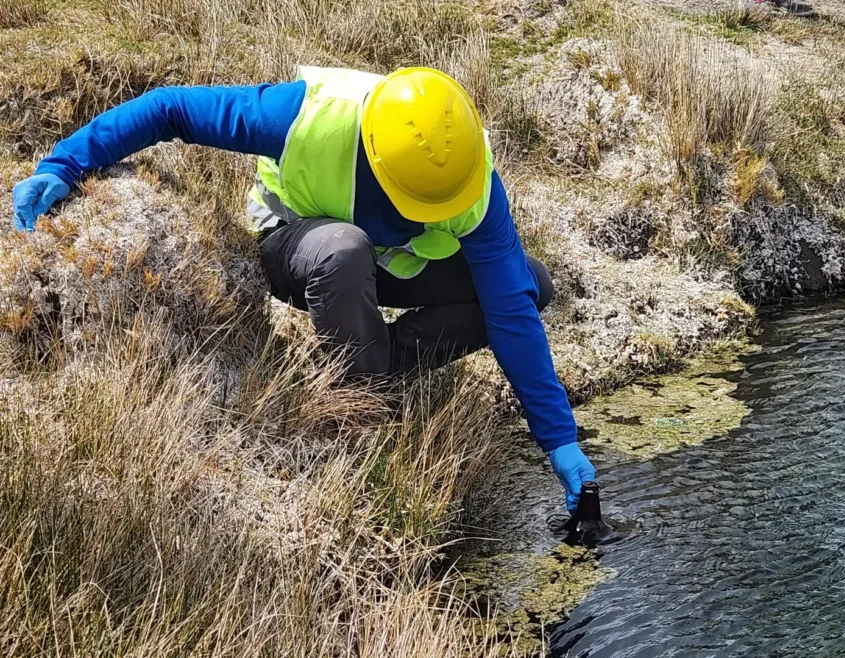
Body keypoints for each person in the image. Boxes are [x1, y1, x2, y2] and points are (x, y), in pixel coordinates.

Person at [10, 66, 597, 512]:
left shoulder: (469, 176)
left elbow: (511, 311)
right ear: (375, 158)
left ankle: (381, 367)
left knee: (529, 283)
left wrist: (559, 440)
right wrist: (64, 164)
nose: (430, 212)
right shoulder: (309, 117)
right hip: (299, 245)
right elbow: (172, 110)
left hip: (394, 263)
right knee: (345, 249)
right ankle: (362, 410)